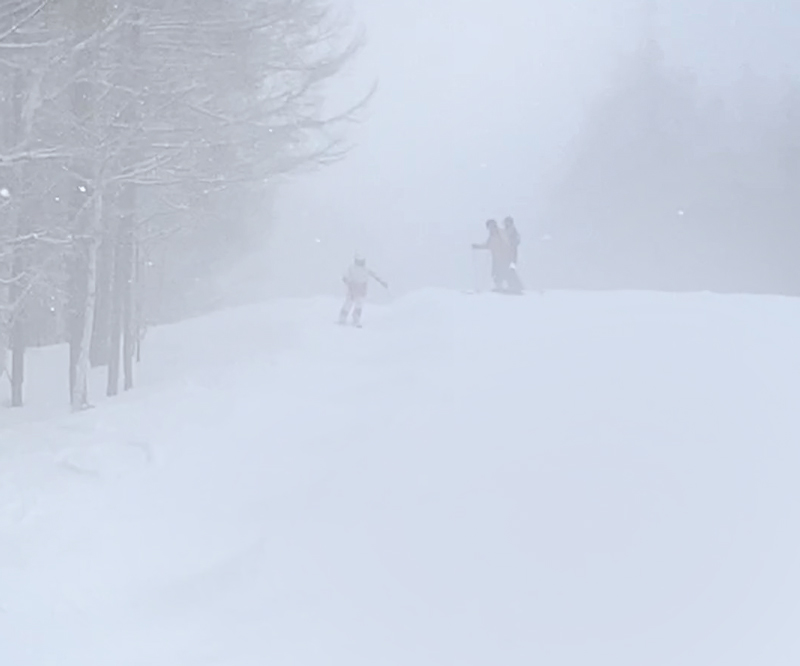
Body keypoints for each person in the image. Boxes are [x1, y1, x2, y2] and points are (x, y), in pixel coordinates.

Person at [472, 219, 522, 293]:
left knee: (507, 273)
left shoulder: (501, 233)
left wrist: (511, 256)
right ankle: (501, 287)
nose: (491, 228)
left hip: (505, 258)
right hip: (497, 259)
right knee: (497, 275)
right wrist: (477, 246)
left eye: (492, 226)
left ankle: (516, 287)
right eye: (489, 227)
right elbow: (487, 245)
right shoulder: (492, 236)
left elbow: (509, 242)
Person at [338, 254, 388, 326]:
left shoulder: (366, 269)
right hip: (352, 288)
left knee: (359, 303)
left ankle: (356, 318)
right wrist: (347, 281)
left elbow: (375, 275)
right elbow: (344, 276)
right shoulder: (351, 268)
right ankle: (342, 318)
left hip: (361, 288)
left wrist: (382, 282)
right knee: (349, 303)